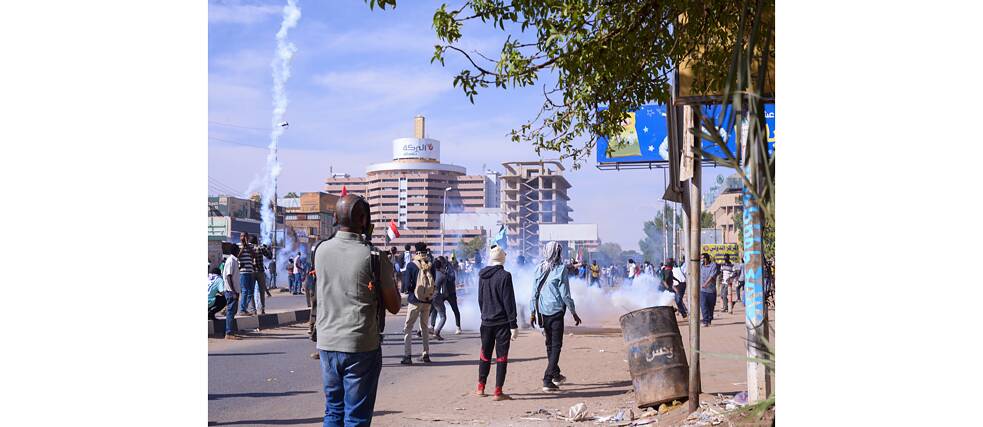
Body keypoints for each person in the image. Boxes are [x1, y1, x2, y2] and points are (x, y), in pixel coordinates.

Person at [314, 195, 401, 426]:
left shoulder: (320, 250)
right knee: (356, 418)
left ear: (335, 218)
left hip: (327, 343)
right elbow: (394, 306)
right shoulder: (373, 256)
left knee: (333, 411)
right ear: (364, 220)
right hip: (360, 345)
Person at [529, 241, 582, 392]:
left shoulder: (539, 268)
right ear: (557, 253)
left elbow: (534, 292)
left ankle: (556, 375)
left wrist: (532, 312)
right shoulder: (560, 269)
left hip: (542, 312)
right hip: (557, 311)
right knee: (556, 345)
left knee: (549, 344)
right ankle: (547, 379)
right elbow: (565, 294)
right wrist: (573, 312)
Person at [476, 245, 518, 401]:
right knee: (501, 357)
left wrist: (485, 314)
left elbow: (480, 299)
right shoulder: (505, 276)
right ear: (503, 258)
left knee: (484, 355)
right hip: (501, 323)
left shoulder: (482, 275)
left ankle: (480, 387)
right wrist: (513, 324)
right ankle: (498, 392)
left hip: (485, 322)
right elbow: (509, 302)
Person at [401, 242, 435, 364]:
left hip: (415, 301)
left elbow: (406, 285)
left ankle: (407, 356)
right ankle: (426, 354)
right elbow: (433, 283)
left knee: (408, 328)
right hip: (427, 300)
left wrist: (410, 291)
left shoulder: (411, 265)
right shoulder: (431, 265)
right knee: (425, 327)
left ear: (416, 252)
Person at [222, 246, 241, 340]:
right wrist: (233, 291)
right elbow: (228, 276)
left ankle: (231, 332)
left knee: (232, 312)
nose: (239, 252)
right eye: (238, 250)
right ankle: (229, 333)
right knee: (230, 312)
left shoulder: (234, 260)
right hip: (231, 291)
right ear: (235, 251)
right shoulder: (231, 261)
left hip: (234, 291)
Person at [237, 233, 257, 316]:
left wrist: (247, 246)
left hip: (250, 271)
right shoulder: (238, 246)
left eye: (245, 236)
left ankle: (244, 308)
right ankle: (242, 310)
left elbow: (253, 255)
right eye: (242, 236)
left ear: (248, 237)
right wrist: (243, 247)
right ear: (240, 237)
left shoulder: (251, 246)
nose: (243, 237)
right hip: (243, 272)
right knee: (244, 291)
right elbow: (237, 256)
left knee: (251, 291)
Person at [699, 253, 720, 327]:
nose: (702, 260)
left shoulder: (713, 265)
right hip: (702, 290)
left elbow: (712, 276)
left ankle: (710, 318)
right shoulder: (700, 266)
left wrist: (706, 284)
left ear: (707, 258)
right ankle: (705, 321)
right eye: (701, 258)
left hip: (711, 290)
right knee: (703, 305)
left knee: (711, 306)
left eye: (703, 258)